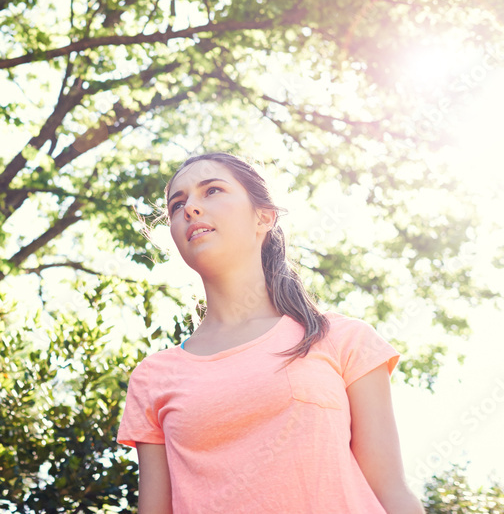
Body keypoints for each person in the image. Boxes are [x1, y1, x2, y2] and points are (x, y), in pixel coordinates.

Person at [116, 152, 425, 514]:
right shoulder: (153, 377)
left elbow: (392, 493)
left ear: (263, 217)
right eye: (177, 204)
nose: (190, 209)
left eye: (212, 190)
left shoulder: (342, 339)